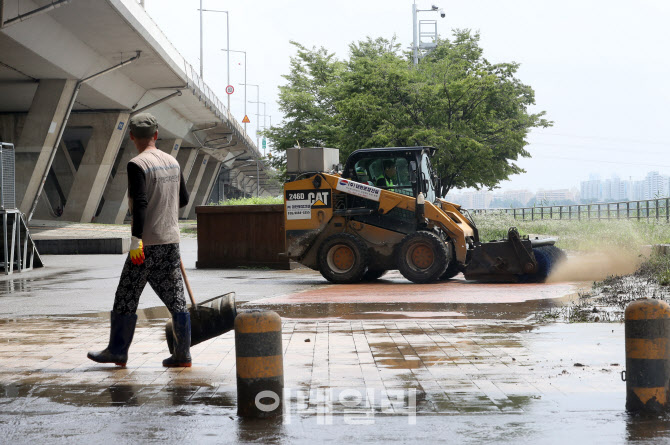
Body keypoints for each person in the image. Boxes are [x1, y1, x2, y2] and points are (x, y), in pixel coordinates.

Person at [88, 113, 191, 368]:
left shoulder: (137, 164)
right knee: (177, 298)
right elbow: (184, 200)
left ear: (132, 136)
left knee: (126, 294)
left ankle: (117, 351)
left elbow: (141, 204)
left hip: (146, 245)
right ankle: (182, 355)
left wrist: (136, 239)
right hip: (171, 241)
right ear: (156, 135)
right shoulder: (172, 162)